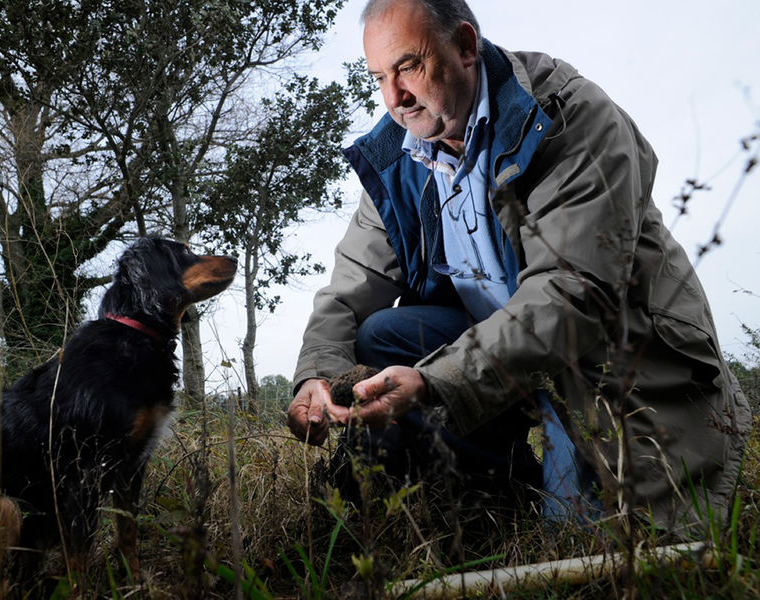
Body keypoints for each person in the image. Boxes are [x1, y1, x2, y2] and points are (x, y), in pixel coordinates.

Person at [287, 0, 750, 533]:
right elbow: (348, 290)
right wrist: (315, 375)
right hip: (497, 363)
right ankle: (491, 492)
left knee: (604, 546)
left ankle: (576, 493)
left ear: (464, 46)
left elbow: (572, 295)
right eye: (379, 77)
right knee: (384, 334)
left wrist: (435, 382)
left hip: (609, 361)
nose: (395, 98)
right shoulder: (400, 153)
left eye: (409, 66)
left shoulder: (567, 116)